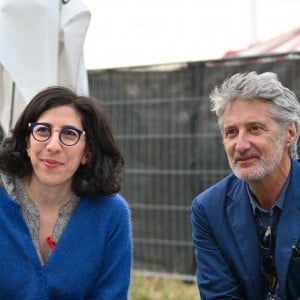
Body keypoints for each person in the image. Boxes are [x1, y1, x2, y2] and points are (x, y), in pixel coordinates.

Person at [0, 86, 132, 299]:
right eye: (43, 130)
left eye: (69, 134)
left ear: (87, 153)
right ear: (27, 142)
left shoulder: (111, 214)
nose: (53, 145)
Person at [191, 71, 300, 300]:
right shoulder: (209, 209)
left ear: (289, 132)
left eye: (255, 128)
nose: (240, 145)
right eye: (231, 132)